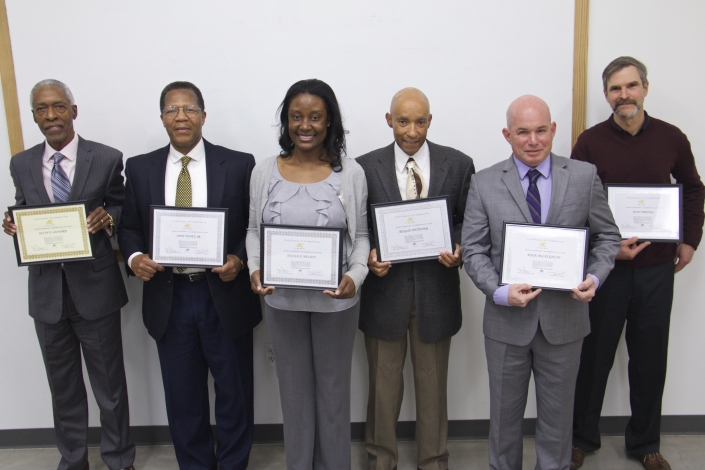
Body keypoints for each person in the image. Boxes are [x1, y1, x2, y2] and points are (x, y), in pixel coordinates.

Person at [461, 95, 621, 470]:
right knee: (503, 423)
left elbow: (608, 238)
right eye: (522, 132)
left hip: (565, 321)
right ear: (507, 134)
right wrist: (500, 292)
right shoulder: (484, 183)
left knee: (558, 423)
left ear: (552, 130)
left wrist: (594, 277)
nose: (533, 141)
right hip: (506, 325)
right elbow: (473, 251)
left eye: (540, 131)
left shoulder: (583, 176)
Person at [570, 57, 705, 470]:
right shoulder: (590, 142)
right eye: (615, 88)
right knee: (594, 357)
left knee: (649, 357)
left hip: (657, 269)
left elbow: (694, 190)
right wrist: (607, 249)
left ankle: (645, 443)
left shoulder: (672, 137)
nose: (623, 95)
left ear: (645, 88)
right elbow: (575, 206)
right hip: (607, 271)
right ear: (606, 94)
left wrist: (689, 241)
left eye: (630, 86)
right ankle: (580, 440)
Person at [118, 81, 261, 470]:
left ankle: (233, 465)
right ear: (162, 117)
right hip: (170, 296)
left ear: (203, 115)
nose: (181, 116)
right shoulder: (140, 167)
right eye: (171, 109)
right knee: (183, 397)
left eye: (189, 108)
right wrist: (133, 257)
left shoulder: (238, 163)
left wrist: (240, 259)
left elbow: (255, 225)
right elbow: (128, 226)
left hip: (224, 294)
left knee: (235, 393)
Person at [3, 79, 135, 470]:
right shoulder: (21, 163)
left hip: (95, 289)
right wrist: (13, 223)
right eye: (41, 109)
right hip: (46, 294)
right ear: (33, 117)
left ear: (73, 111)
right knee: (63, 389)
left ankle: (118, 458)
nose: (50, 116)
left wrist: (109, 216)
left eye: (58, 107)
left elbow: (126, 207)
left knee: (109, 387)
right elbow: (25, 208)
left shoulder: (108, 158)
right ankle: (73, 459)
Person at [246, 78, 369, 469]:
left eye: (315, 117)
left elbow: (362, 236)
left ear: (329, 121)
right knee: (294, 397)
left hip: (336, 303)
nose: (305, 125)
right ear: (285, 121)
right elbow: (252, 231)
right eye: (296, 116)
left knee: (333, 396)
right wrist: (255, 268)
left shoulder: (350, 173)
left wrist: (356, 276)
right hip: (281, 301)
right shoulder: (265, 171)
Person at [356, 87, 474, 470]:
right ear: (389, 120)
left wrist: (457, 246)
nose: (411, 130)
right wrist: (369, 256)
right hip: (383, 293)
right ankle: (380, 460)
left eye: (420, 121)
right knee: (383, 389)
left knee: (432, 388)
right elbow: (358, 228)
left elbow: (466, 221)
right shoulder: (363, 166)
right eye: (403, 121)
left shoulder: (458, 164)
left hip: (435, 293)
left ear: (430, 121)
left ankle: (434, 461)